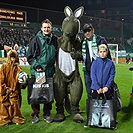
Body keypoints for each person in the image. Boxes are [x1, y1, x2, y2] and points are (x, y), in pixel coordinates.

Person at [27, 19, 57, 124]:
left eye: (48, 27)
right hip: (38, 71)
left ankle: (47, 114)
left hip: (50, 72)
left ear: (51, 28)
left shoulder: (54, 39)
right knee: (36, 94)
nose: (46, 29)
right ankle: (35, 115)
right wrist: (37, 66)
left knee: (48, 94)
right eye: (44, 27)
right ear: (41, 28)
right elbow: (30, 57)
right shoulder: (35, 39)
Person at [82, 23, 112, 99]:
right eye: (85, 31)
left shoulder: (100, 40)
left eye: (89, 30)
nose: (87, 33)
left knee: (103, 91)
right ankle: (92, 109)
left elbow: (107, 55)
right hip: (87, 71)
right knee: (90, 92)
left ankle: (104, 109)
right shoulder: (83, 42)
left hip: (100, 71)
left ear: (93, 30)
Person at [0, 50, 26, 126]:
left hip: (15, 91)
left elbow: (21, 80)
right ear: (8, 57)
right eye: (11, 57)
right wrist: (5, 89)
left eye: (14, 57)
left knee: (15, 105)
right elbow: (1, 80)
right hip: (5, 90)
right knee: (4, 105)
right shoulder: (4, 67)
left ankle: (16, 118)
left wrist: (23, 83)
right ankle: (5, 119)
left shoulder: (18, 68)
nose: (13, 59)